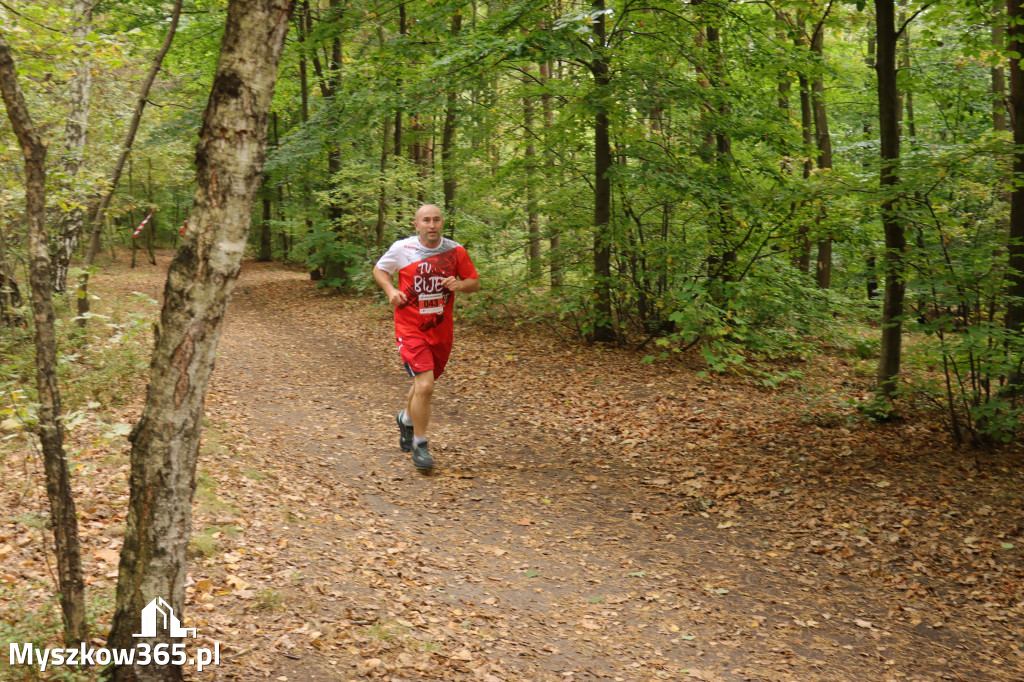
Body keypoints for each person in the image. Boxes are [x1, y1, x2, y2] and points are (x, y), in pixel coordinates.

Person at [373, 204, 480, 471]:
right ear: (416, 224)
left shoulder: (455, 250)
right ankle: (420, 445)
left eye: (436, 220)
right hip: (410, 328)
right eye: (426, 221)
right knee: (426, 387)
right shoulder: (402, 249)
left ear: (442, 223)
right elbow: (379, 270)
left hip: (441, 331)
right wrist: (390, 290)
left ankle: (407, 419)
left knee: (424, 384)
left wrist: (460, 284)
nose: (431, 225)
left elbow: (474, 283)